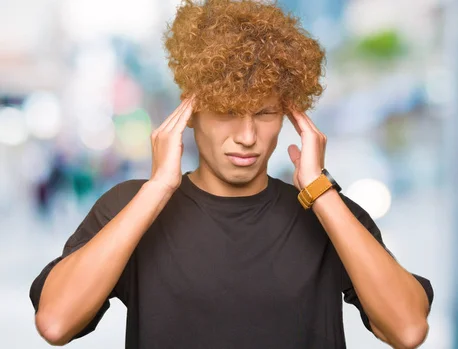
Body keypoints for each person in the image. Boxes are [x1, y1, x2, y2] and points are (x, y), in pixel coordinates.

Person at [29, 1, 434, 348]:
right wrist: (158, 188)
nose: (246, 136)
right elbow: (56, 323)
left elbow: (408, 330)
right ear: (189, 113)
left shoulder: (327, 211)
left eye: (265, 113)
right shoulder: (129, 206)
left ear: (291, 117)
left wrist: (320, 191)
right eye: (226, 113)